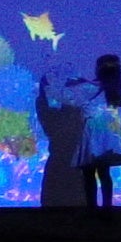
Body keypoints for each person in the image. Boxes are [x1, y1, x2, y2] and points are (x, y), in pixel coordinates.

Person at [80, 55, 121, 212]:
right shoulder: (115, 88)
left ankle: (91, 208)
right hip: (108, 135)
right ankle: (107, 207)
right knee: (104, 172)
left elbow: (81, 102)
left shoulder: (92, 87)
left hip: (92, 133)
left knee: (88, 173)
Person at [33, 72, 89, 210]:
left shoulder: (55, 118)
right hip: (76, 173)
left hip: (58, 171)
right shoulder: (88, 119)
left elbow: (42, 107)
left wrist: (43, 86)